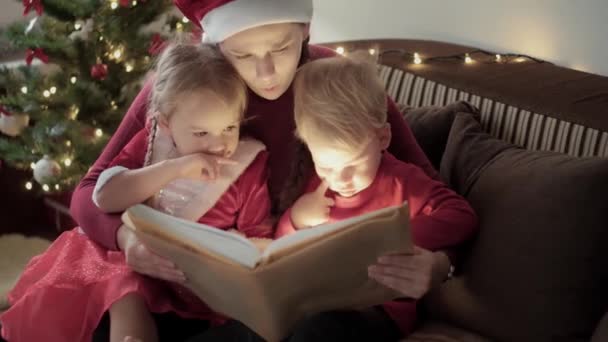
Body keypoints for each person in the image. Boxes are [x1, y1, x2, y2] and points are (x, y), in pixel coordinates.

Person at [68, 0, 457, 339]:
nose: (267, 72)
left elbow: (434, 192)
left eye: (283, 46)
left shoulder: (336, 82)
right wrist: (125, 241)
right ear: (218, 46)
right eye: (243, 55)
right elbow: (89, 193)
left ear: (305, 30)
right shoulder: (188, 89)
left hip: (299, 296)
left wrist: (440, 263)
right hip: (182, 287)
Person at [0, 43, 273, 342]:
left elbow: (257, 236)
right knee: (119, 279)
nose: (218, 144)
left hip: (195, 284)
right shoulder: (152, 143)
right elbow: (104, 196)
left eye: (229, 128)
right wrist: (176, 168)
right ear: (166, 125)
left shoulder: (248, 165)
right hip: (136, 267)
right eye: (201, 133)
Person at [269, 56, 477, 340]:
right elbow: (279, 253)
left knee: (319, 329)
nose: (340, 179)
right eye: (326, 166)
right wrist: (295, 220)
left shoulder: (403, 181)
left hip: (375, 313)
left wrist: (391, 235)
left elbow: (461, 215)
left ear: (382, 138)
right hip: (310, 301)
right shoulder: (314, 187)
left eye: (353, 164)